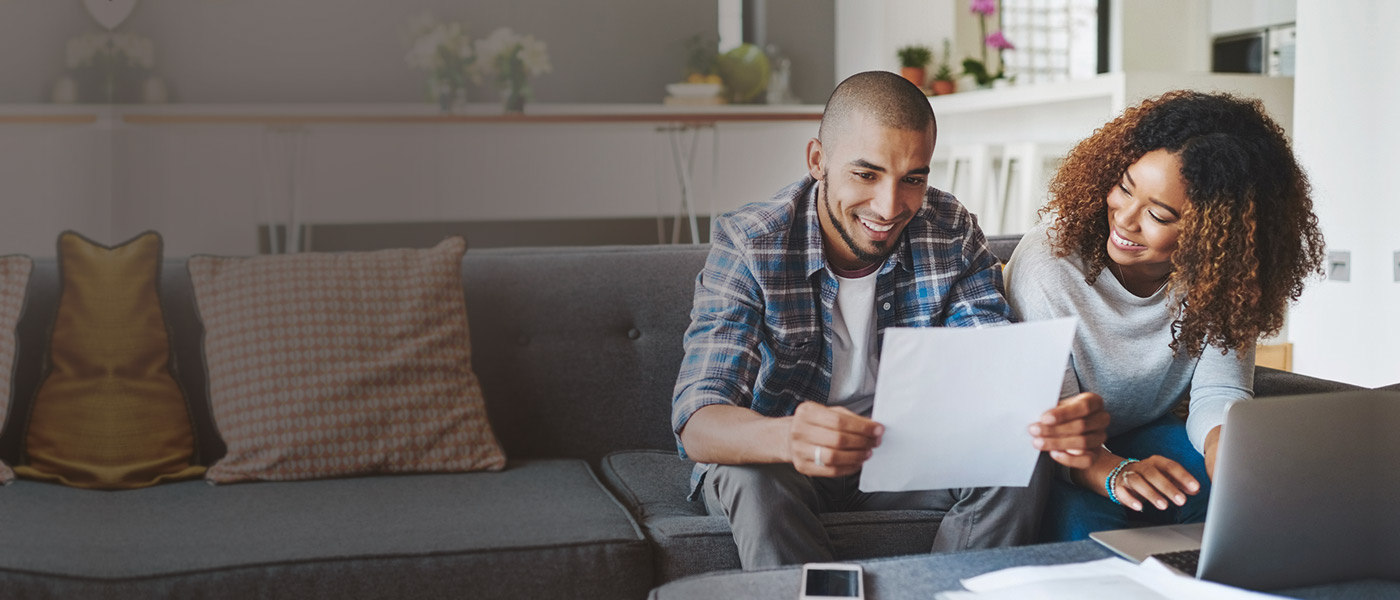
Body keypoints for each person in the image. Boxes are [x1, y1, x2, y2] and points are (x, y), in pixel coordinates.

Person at [670, 70, 1110, 569]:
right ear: (818, 160)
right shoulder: (751, 243)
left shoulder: (948, 230)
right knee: (748, 477)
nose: (889, 206)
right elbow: (698, 420)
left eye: (913, 179)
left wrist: (1053, 413)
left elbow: (989, 356)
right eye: (866, 174)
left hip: (902, 455)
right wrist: (790, 437)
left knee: (1021, 457)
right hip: (783, 459)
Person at [1004, 90, 1325, 541]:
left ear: (1217, 231)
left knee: (1228, 504)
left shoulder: (1224, 277)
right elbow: (1053, 421)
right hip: (1062, 453)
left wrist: (1225, 449)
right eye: (1124, 188)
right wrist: (1115, 473)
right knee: (1084, 532)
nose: (1125, 219)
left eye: (1159, 214)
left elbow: (1219, 390)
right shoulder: (1050, 263)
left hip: (1148, 429)